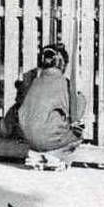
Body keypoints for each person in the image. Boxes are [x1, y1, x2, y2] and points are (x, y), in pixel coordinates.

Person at [16, 43, 86, 171]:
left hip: (28, 138)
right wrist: (79, 93)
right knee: (78, 132)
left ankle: (36, 154)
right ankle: (54, 156)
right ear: (63, 64)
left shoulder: (34, 82)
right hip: (50, 137)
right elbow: (78, 110)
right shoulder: (65, 84)